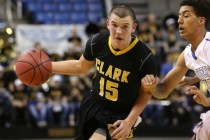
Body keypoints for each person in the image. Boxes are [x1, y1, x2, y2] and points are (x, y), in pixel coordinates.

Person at [52, 5, 157, 140]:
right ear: (107, 24)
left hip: (119, 114)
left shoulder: (145, 57)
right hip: (93, 103)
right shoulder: (97, 41)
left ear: (133, 27)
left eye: (125, 26)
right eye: (114, 25)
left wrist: (130, 120)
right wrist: (49, 66)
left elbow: (146, 93)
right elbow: (80, 66)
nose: (118, 31)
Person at [141, 0, 210, 139]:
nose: (179, 20)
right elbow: (163, 91)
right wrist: (151, 86)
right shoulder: (187, 55)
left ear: (200, 20)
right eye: (179, 16)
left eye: (186, 15)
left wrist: (208, 101)